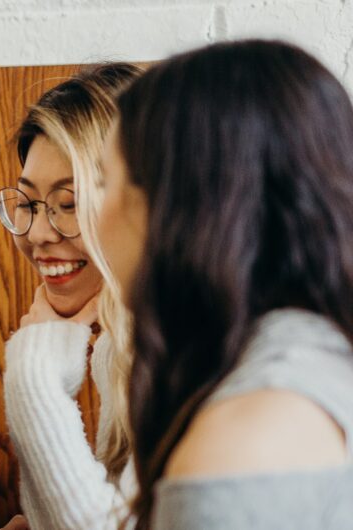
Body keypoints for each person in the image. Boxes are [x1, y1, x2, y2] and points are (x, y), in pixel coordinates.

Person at [99, 40, 353, 529]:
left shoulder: (244, 441)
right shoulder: (317, 357)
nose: (95, 214)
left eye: (103, 181)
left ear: (177, 210)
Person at [0, 64, 141, 530]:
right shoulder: (122, 346)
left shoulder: (196, 351)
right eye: (28, 203)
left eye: (70, 203)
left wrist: (33, 376)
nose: (37, 233)